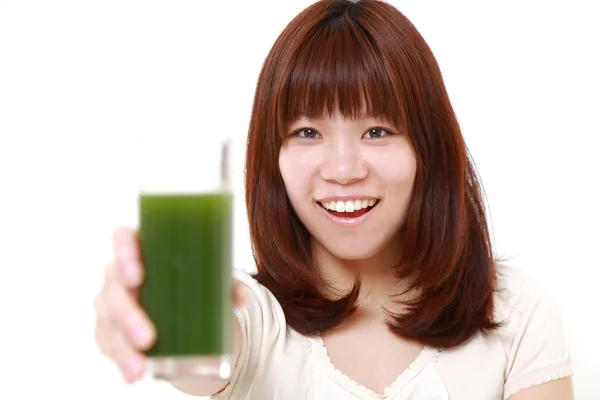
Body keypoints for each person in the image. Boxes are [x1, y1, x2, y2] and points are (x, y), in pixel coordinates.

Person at [93, 0, 575, 398]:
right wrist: (165, 312)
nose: (344, 170)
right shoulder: (258, 320)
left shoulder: (514, 310)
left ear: (427, 148)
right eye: (307, 132)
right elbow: (202, 351)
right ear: (272, 158)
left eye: (377, 130)